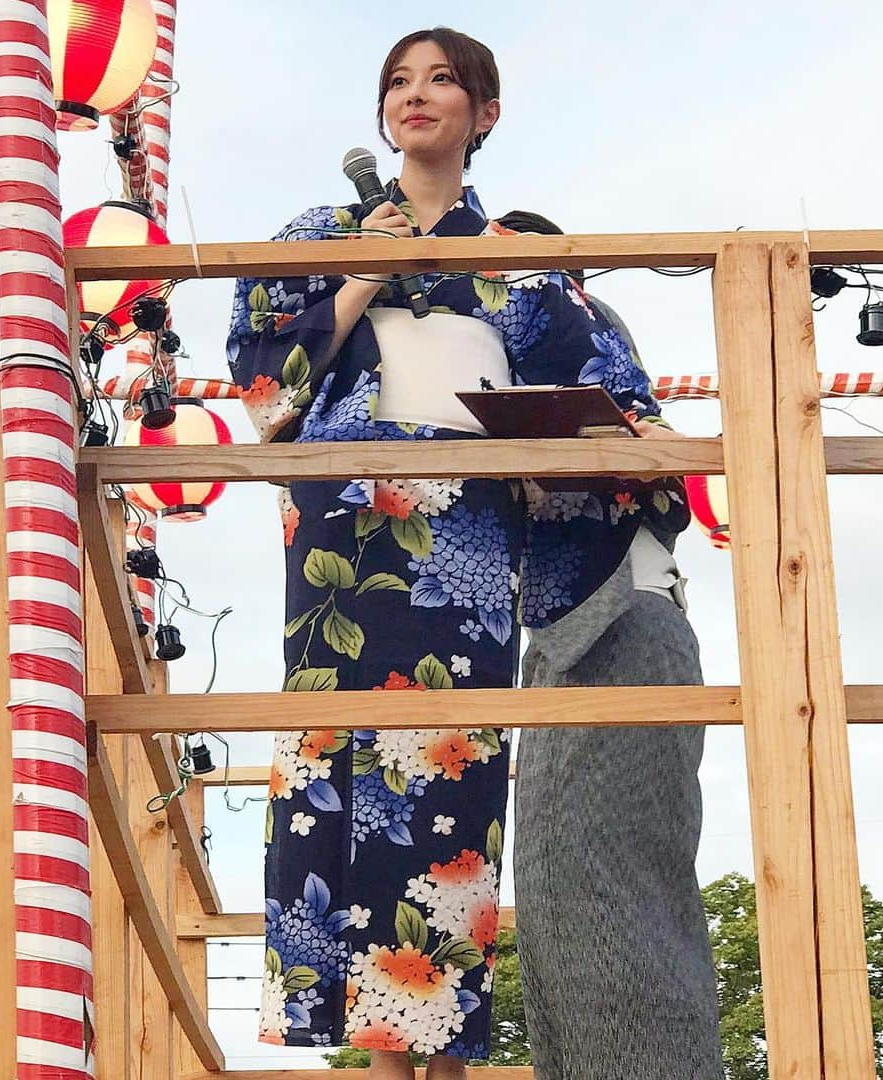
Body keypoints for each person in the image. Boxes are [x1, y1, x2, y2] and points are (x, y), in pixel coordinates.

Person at [226, 27, 682, 1079]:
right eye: (397, 82)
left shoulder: (513, 252)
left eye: (441, 81)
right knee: (340, 767)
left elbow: (598, 385)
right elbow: (264, 392)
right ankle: (380, 1060)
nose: (415, 96)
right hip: (347, 532)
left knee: (449, 779)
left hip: (463, 537)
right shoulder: (323, 229)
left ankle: (443, 1061)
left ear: (486, 113)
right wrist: (361, 273)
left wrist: (639, 431)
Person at [495, 210, 725, 1078]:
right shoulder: (569, 332)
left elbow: (647, 447)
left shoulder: (568, 317)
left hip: (620, 613)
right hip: (586, 620)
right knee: (567, 884)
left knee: (605, 882)